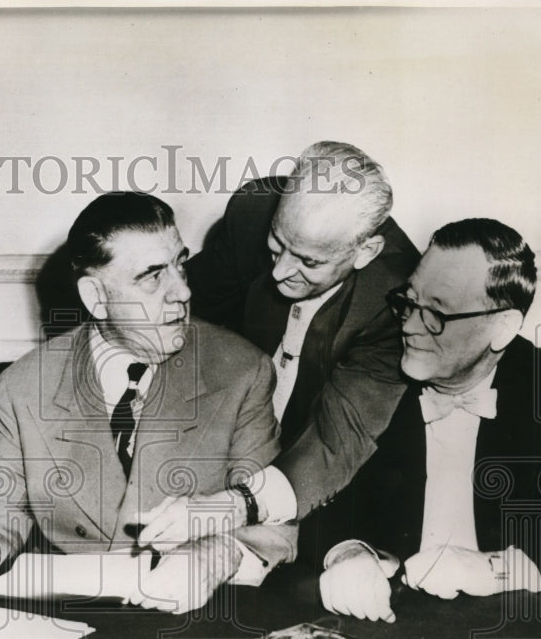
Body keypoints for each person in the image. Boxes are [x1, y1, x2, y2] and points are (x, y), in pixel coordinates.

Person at [0, 192, 297, 614]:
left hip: (194, 616)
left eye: (181, 263)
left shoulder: (240, 372)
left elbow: (277, 522)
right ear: (96, 297)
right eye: (152, 276)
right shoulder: (25, 385)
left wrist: (218, 552)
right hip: (69, 619)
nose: (182, 290)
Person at [138, 141, 418, 555]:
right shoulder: (254, 215)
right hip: (230, 435)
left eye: (308, 262)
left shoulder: (395, 300)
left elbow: (334, 442)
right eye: (277, 243)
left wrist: (233, 507)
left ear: (365, 252)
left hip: (324, 483)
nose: (280, 271)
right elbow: (178, 304)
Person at [318, 218, 541, 622]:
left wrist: (495, 568)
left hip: (508, 624)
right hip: (392, 616)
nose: (409, 326)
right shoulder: (371, 371)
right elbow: (318, 499)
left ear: (502, 327)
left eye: (437, 313)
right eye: (408, 301)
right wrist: (348, 552)